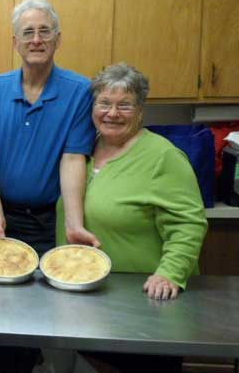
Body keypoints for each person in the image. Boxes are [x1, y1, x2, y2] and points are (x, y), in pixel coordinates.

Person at [57, 63, 207, 372]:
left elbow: (188, 223)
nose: (112, 113)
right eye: (104, 103)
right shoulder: (82, 150)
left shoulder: (161, 156)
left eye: (124, 105)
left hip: (144, 306)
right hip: (90, 300)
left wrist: (170, 274)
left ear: (140, 110)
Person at [0, 0, 98, 373]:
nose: (37, 39)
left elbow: (73, 158)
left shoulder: (80, 91)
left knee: (50, 319)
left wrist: (73, 224)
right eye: (28, 32)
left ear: (58, 39)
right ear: (15, 42)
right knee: (5, 322)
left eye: (45, 31)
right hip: (3, 222)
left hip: (50, 222)